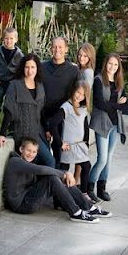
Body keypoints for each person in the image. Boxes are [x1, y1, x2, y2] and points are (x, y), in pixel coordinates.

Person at [3, 137, 112, 223]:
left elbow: (45, 172)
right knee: (53, 179)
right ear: (21, 149)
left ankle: (88, 207)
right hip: (20, 205)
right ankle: (76, 212)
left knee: (56, 178)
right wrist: (64, 174)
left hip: (28, 197)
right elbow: (40, 170)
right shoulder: (15, 162)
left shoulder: (27, 162)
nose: (31, 154)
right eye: (28, 150)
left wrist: (65, 175)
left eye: (34, 152)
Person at [0, 53, 55, 168]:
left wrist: (46, 130)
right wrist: (2, 134)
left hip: (37, 134)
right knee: (26, 166)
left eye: (33, 67)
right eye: (27, 67)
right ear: (23, 68)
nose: (29, 71)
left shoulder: (40, 86)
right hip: (21, 134)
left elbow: (41, 111)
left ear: (37, 68)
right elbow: (8, 110)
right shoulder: (15, 85)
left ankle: (43, 186)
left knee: (50, 161)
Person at [88, 53, 128, 201]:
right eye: (110, 64)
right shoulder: (98, 80)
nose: (112, 67)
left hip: (115, 125)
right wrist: (117, 105)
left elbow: (126, 106)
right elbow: (99, 103)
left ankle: (101, 188)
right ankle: (89, 188)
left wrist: (117, 106)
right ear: (106, 64)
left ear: (119, 67)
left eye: (116, 65)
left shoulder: (119, 83)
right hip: (102, 124)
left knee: (109, 159)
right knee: (102, 159)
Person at [49, 80, 98, 203]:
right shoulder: (66, 107)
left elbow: (85, 126)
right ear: (73, 91)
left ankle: (84, 193)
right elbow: (53, 124)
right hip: (68, 146)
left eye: (83, 95)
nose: (79, 96)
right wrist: (60, 143)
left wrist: (86, 142)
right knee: (64, 170)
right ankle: (59, 199)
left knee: (86, 166)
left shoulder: (83, 108)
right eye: (78, 93)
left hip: (80, 145)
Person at [41, 36, 81, 167]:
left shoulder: (73, 70)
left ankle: (60, 184)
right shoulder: (42, 67)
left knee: (62, 157)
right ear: (51, 48)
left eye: (60, 47)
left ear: (66, 50)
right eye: (54, 46)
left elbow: (78, 95)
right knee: (44, 156)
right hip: (44, 117)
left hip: (63, 119)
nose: (57, 49)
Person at [74, 42, 96, 186]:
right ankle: (76, 179)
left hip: (81, 114)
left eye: (85, 56)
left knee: (80, 147)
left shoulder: (87, 72)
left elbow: (84, 94)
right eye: (80, 55)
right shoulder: (79, 69)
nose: (82, 57)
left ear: (90, 58)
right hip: (77, 112)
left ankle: (77, 179)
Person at [0, 27, 24, 110]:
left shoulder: (19, 55)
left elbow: (23, 69)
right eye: (6, 38)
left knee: (10, 106)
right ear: (3, 39)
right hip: (0, 82)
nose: (9, 41)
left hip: (12, 84)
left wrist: (19, 82)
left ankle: (7, 122)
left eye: (11, 38)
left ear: (16, 39)